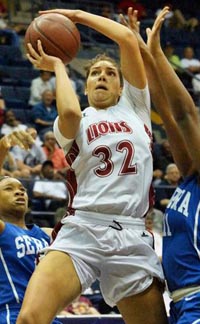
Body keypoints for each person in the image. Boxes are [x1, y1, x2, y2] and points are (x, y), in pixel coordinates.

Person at [17, 8, 168, 324]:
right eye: (94, 73)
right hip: (83, 227)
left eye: (110, 73)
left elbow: (127, 38)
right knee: (30, 318)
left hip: (131, 233)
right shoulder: (74, 120)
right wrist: (58, 65)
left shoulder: (136, 108)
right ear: (83, 86)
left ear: (121, 87)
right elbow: (70, 113)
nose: (102, 76)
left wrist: (76, 16)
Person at [122, 6, 200, 323]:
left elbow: (184, 115)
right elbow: (168, 115)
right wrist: (142, 50)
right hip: (182, 303)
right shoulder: (190, 178)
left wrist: (158, 54)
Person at [0, 130, 61, 324]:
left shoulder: (45, 234)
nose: (19, 193)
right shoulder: (2, 230)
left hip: (49, 317)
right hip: (13, 314)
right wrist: (3, 147)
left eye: (22, 189)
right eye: (9, 189)